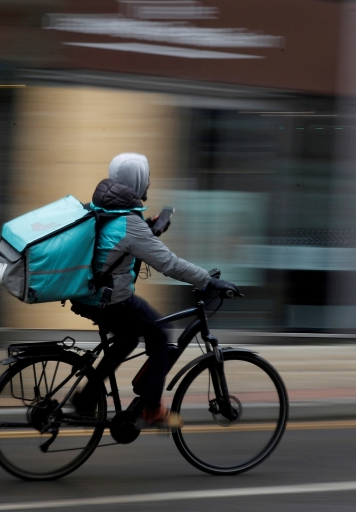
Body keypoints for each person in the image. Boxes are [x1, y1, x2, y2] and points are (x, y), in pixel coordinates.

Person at [70, 153, 241, 427]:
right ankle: (152, 409)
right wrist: (208, 281)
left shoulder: (106, 207)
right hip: (109, 300)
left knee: (127, 339)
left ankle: (87, 397)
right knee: (161, 334)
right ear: (136, 181)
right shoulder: (130, 223)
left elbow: (114, 241)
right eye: (146, 177)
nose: (149, 183)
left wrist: (148, 230)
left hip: (89, 296)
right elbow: (169, 264)